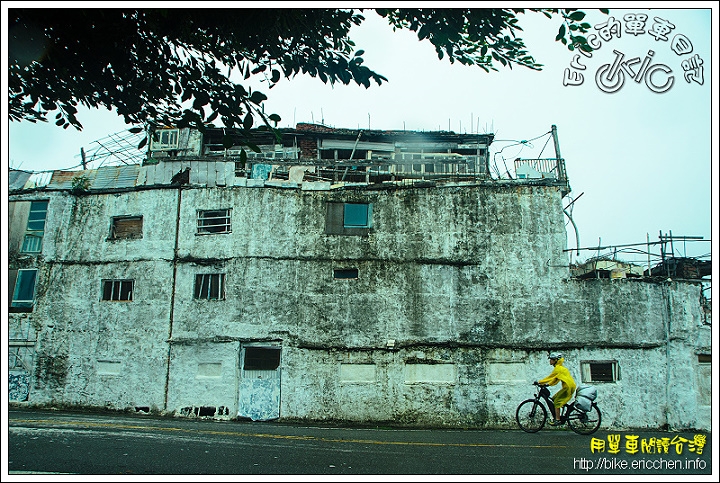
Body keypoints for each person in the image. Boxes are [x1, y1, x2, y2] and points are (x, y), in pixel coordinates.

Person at [535, 352, 577, 426]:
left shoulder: (558, 369)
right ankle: (560, 413)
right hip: (569, 386)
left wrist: (540, 382)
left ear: (555, 360)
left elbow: (550, 377)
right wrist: (548, 384)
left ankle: (557, 420)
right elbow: (555, 380)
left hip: (568, 387)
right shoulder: (560, 368)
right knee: (554, 398)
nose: (550, 361)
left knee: (557, 402)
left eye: (551, 359)